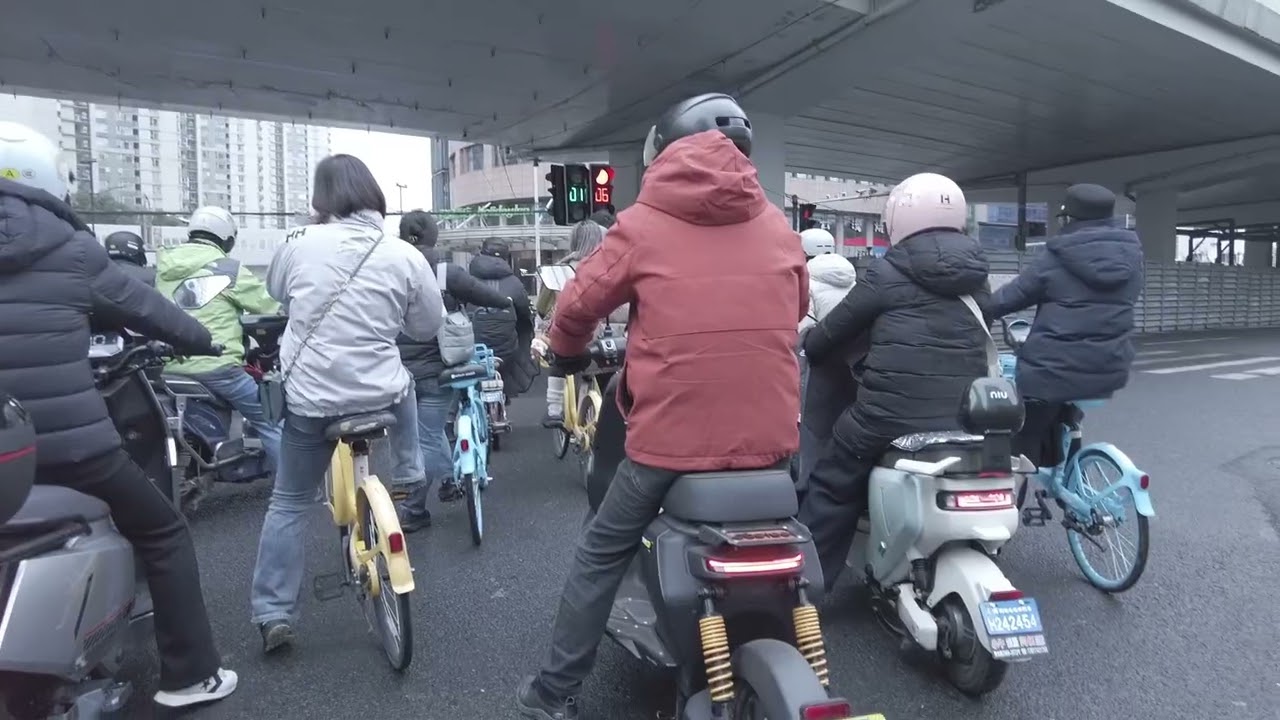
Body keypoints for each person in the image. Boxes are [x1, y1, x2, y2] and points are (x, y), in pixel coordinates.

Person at [516, 92, 808, 720]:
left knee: (600, 552)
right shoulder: (778, 226)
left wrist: (566, 352)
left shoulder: (643, 222)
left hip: (669, 445)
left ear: (663, 151)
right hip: (772, 442)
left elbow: (576, 306)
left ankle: (553, 694)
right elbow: (797, 303)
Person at [0, 120, 237, 707]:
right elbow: (149, 309)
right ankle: (188, 676)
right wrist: (205, 341)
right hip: (68, 445)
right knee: (163, 531)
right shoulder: (72, 249)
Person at [249, 154, 443, 653]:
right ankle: (409, 469)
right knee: (405, 384)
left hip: (312, 398)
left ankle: (273, 612)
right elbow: (426, 327)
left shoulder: (298, 243)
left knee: (289, 500)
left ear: (320, 199)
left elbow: (277, 294)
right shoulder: (402, 252)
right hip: (380, 392)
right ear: (374, 194)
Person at [799, 172, 991, 592]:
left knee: (833, 483)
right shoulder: (977, 272)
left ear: (898, 217)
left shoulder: (888, 271)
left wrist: (811, 341)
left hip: (889, 415)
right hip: (967, 412)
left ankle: (806, 586)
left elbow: (828, 337)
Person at [983, 183, 1143, 466]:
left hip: (1053, 371)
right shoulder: (1131, 255)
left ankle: (1013, 499)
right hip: (1110, 366)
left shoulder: (1057, 254)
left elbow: (1014, 295)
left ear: (1069, 218)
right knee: (1067, 408)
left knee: (1023, 434)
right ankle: (1070, 469)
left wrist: (983, 311)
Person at [395, 209, 510, 524]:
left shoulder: (386, 268)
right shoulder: (444, 271)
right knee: (431, 434)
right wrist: (507, 303)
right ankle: (419, 505)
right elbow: (479, 292)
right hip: (438, 366)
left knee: (409, 436)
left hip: (393, 370)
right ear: (431, 237)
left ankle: (432, 486)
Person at [156, 206, 283, 481]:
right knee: (270, 419)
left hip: (169, 368)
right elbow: (270, 305)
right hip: (218, 367)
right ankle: (295, 491)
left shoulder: (164, 267)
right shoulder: (227, 268)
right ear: (227, 239)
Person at [531, 219, 628, 427]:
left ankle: (554, 409)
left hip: (579, 341)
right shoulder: (614, 268)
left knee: (557, 354)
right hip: (616, 342)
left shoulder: (560, 270)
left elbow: (542, 307)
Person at [468, 238, 537, 398]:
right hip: (505, 349)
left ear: (481, 253)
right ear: (507, 257)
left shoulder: (467, 278)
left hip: (473, 344)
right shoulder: (515, 283)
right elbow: (525, 314)